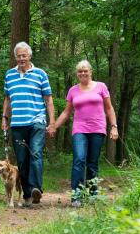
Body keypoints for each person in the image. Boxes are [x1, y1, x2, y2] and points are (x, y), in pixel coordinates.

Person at [50, 60, 118, 207]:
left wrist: (114, 126)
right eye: (80, 71)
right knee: (79, 159)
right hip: (79, 129)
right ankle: (77, 196)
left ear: (90, 71)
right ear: (77, 74)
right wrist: (54, 126)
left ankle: (93, 195)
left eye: (85, 70)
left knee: (92, 163)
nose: (82, 73)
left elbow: (109, 108)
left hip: (97, 128)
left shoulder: (101, 87)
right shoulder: (73, 90)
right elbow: (66, 112)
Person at [1, 41, 55, 207]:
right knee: (22, 160)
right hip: (17, 124)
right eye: (18, 56)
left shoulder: (40, 74)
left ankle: (35, 189)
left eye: (24, 55)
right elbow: (7, 99)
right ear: (15, 57)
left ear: (30, 56)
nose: (21, 59)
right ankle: (27, 195)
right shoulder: (10, 75)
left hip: (37, 122)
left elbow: (48, 99)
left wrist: (52, 122)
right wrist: (4, 118)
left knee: (36, 154)